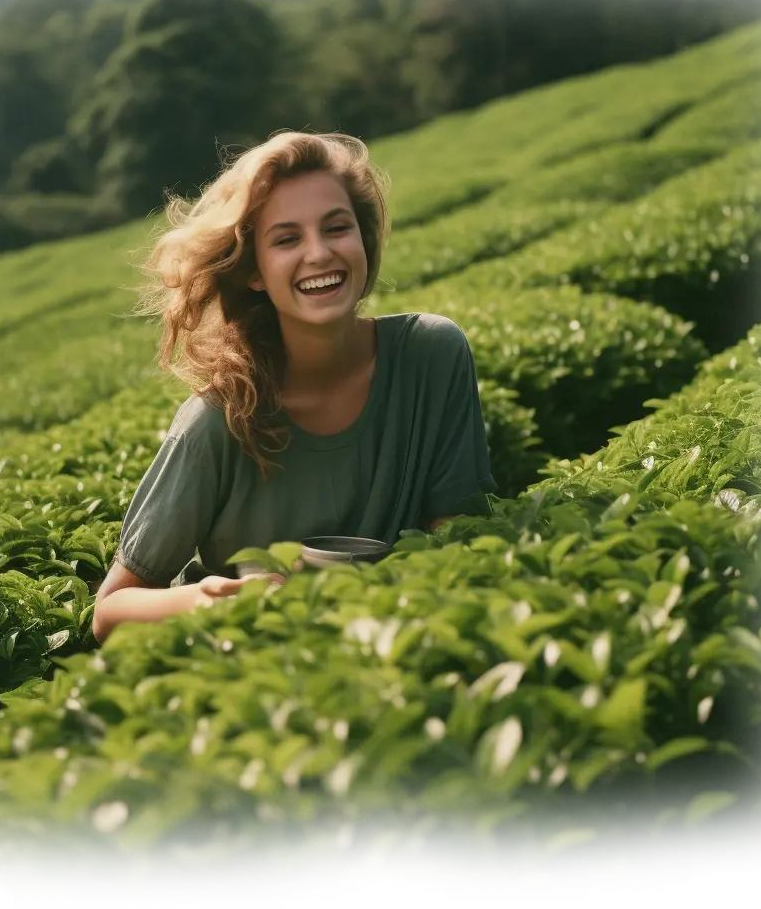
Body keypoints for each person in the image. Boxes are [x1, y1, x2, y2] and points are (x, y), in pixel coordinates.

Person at [92, 131, 497, 646]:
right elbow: (110, 610)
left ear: (364, 241)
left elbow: (459, 532)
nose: (319, 253)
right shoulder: (218, 421)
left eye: (337, 228)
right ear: (255, 271)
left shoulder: (432, 355)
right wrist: (212, 599)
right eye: (287, 239)